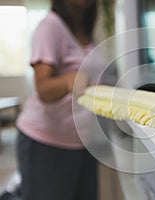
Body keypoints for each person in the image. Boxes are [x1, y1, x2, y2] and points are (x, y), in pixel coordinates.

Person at [14, 0, 100, 199]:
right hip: (46, 141)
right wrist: (69, 81)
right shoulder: (51, 26)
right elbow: (43, 89)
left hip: (82, 142)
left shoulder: (85, 30)